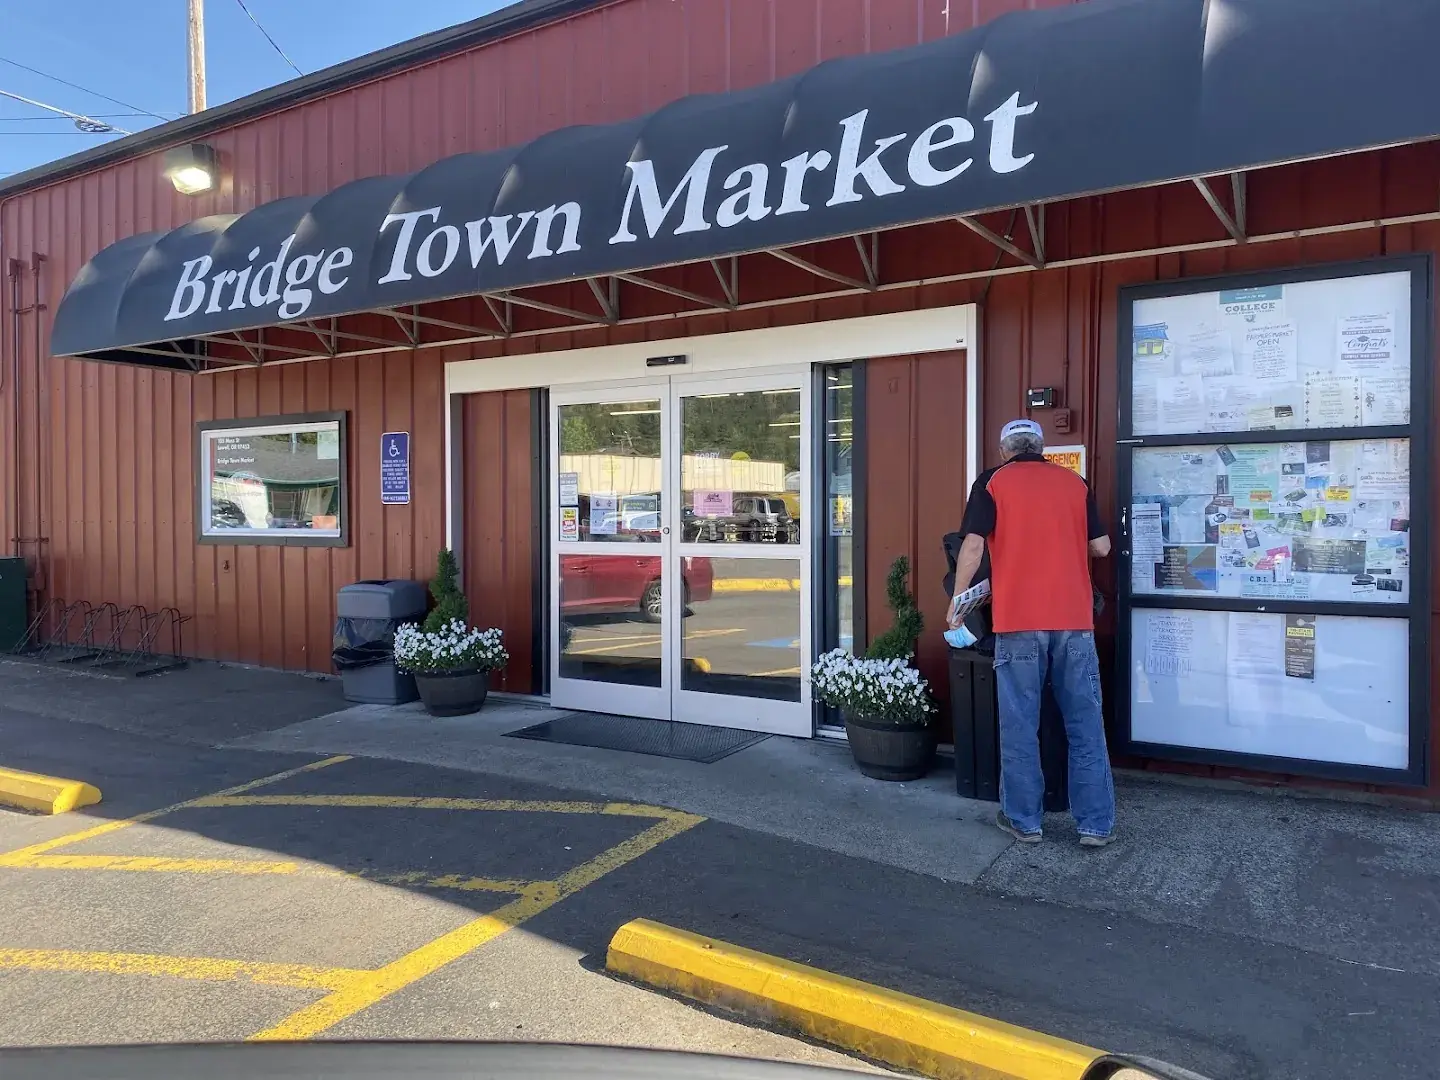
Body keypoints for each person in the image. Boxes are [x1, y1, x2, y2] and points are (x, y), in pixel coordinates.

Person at [949, 418, 1116, 847]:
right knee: (1085, 724)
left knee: (1021, 724)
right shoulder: (1073, 482)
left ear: (1005, 449)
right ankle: (1095, 826)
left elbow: (972, 544)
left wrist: (958, 599)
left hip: (1019, 621)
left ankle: (1025, 823)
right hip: (1074, 621)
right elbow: (1101, 547)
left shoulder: (993, 481)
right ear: (1041, 447)